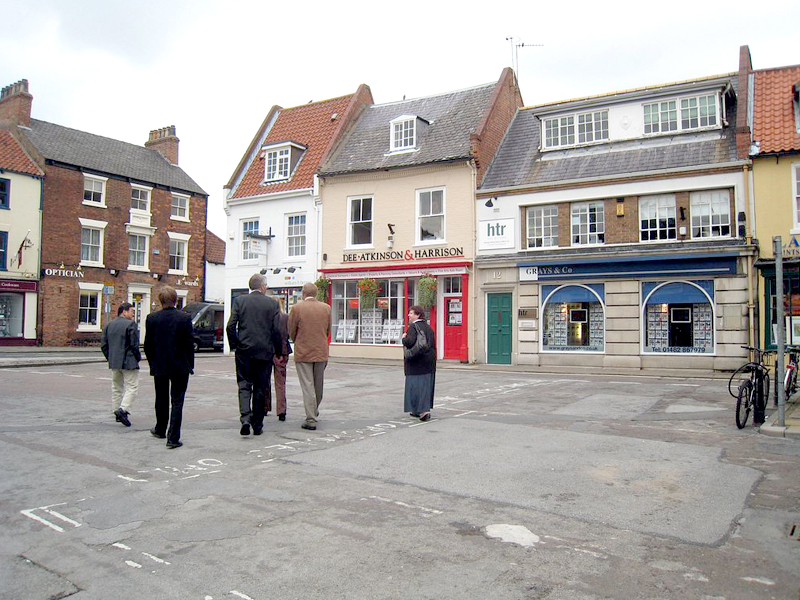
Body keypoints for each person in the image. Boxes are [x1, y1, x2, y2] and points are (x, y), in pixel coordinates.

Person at [226, 273, 284, 436]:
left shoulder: (240, 301)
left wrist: (235, 345)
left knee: (244, 384)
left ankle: (245, 418)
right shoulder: (272, 304)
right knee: (261, 386)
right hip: (264, 352)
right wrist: (278, 350)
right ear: (263, 286)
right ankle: (257, 424)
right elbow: (277, 330)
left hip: (244, 350)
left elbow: (230, 326)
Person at [143, 286, 194, 449]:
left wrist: (152, 363)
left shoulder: (152, 318)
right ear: (176, 300)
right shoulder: (184, 318)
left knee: (161, 398)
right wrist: (190, 364)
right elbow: (189, 344)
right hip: (180, 365)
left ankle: (160, 429)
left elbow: (148, 345)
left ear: (160, 300)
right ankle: (173, 437)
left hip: (160, 364)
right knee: (177, 401)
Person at [288, 282, 331, 431]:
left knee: (307, 386)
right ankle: (314, 409)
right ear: (316, 293)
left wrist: (298, 340)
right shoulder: (326, 308)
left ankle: (311, 418)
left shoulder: (297, 308)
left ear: (303, 294)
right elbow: (327, 330)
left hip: (303, 352)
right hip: (321, 351)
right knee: (318, 385)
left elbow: (291, 331)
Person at [100, 302, 141, 428]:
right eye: (131, 311)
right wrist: (137, 357)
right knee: (132, 387)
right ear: (124, 311)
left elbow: (104, 345)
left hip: (114, 362)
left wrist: (110, 357)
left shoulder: (108, 325)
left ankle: (116, 410)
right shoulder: (130, 324)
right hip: (128, 361)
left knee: (116, 387)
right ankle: (123, 410)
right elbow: (134, 344)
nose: (133, 314)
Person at [401, 305, 436, 421]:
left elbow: (410, 342)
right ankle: (419, 410)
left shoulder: (413, 327)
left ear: (417, 314)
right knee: (425, 387)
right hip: (429, 363)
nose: (408, 315)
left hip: (416, 363)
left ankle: (423, 412)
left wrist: (404, 338)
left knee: (414, 387)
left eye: (411, 313)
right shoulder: (428, 327)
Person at [269, 308, 292, 422]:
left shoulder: (267, 316)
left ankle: (265, 406)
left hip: (268, 351)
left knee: (264, 381)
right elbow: (290, 333)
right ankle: (281, 410)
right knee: (280, 382)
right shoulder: (286, 317)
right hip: (283, 351)